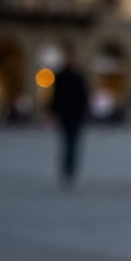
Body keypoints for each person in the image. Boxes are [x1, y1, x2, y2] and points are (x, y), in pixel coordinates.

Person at [51, 48, 90, 188]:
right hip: (65, 114)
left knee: (73, 144)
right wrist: (54, 112)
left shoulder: (79, 76)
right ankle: (66, 171)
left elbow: (84, 96)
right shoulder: (61, 76)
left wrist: (85, 111)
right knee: (66, 144)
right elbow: (55, 96)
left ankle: (71, 172)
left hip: (77, 115)